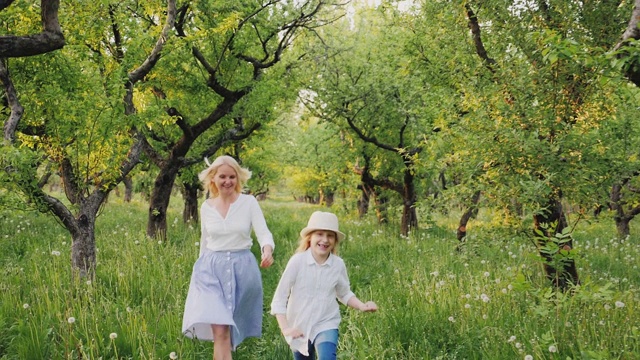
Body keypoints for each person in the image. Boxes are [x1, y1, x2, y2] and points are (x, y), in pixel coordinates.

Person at [182, 155, 275, 360]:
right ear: (213, 178)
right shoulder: (207, 206)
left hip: (242, 268)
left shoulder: (248, 202)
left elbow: (263, 232)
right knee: (220, 331)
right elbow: (205, 241)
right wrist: (197, 276)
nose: (227, 181)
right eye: (222, 176)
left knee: (228, 334)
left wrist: (267, 249)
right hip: (210, 271)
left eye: (232, 177)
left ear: (238, 178)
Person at [271, 211, 377, 360]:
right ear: (310, 238)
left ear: (335, 240)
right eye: (319, 234)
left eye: (330, 235)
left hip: (326, 322)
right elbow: (279, 298)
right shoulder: (298, 262)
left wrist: (362, 305)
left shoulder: (338, 265)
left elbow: (344, 293)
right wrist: (286, 328)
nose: (325, 240)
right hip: (298, 326)